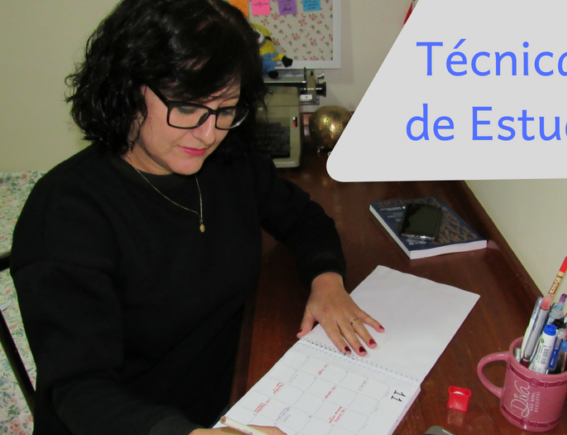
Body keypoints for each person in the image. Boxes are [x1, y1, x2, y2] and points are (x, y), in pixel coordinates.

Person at [10, 1, 382, 434]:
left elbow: (303, 218)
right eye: (187, 108)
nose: (208, 134)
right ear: (127, 88)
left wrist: (327, 280)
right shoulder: (65, 214)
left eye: (226, 109)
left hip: (230, 393)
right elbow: (80, 391)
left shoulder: (229, 161)